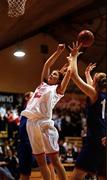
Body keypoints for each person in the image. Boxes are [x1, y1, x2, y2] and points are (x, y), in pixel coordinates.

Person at [21, 43, 73, 180]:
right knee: (41, 162)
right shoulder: (43, 84)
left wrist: (72, 60)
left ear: (58, 81)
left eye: (55, 74)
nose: (51, 74)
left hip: (44, 124)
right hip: (31, 124)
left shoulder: (57, 90)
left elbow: (68, 74)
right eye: (52, 73)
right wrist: (57, 52)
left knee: (55, 161)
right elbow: (46, 66)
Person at [67, 41, 107, 180]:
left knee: (75, 177)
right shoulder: (102, 96)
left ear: (95, 83)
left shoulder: (94, 94)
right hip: (104, 139)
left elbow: (73, 75)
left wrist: (73, 57)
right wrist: (88, 74)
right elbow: (91, 88)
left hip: (95, 141)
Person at [18, 92, 56, 180]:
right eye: (33, 95)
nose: (36, 96)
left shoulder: (37, 108)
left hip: (38, 142)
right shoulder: (25, 111)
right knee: (25, 174)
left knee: (49, 166)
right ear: (27, 98)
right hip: (25, 144)